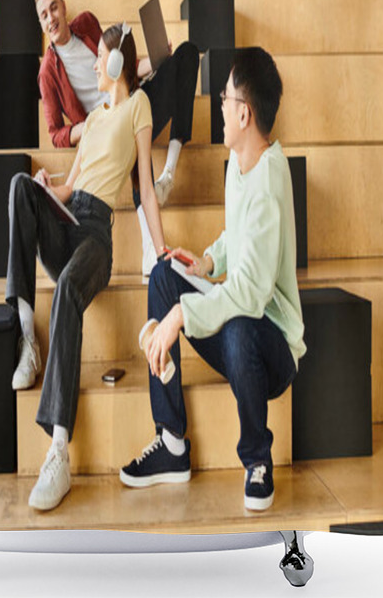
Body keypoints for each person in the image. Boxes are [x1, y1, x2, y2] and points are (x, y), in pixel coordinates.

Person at [119, 47, 306, 512]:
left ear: (244, 112)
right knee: (165, 272)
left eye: (223, 97)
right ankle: (172, 443)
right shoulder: (241, 165)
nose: (218, 104)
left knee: (241, 327)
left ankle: (256, 461)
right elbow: (235, 238)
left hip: (272, 348)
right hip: (240, 322)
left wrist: (182, 314)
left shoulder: (267, 182)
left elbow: (249, 293)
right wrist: (203, 263)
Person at [7, 22, 167, 512]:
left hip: (97, 235)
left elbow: (143, 184)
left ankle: (58, 450)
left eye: (100, 57)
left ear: (118, 64)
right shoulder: (96, 118)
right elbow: (67, 188)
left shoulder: (137, 106)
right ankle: (25, 335)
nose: (94, 65)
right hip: (68, 219)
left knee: (70, 287)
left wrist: (160, 255)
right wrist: (40, 187)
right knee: (18, 184)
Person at [34, 0, 199, 274]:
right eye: (43, 15)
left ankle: (169, 174)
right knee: (130, 124)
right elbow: (56, 134)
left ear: (63, 6)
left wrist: (157, 61)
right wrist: (89, 127)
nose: (51, 19)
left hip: (130, 95)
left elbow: (120, 68)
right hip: (104, 125)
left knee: (186, 54)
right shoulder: (48, 71)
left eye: (53, 8)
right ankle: (151, 245)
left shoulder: (86, 24)